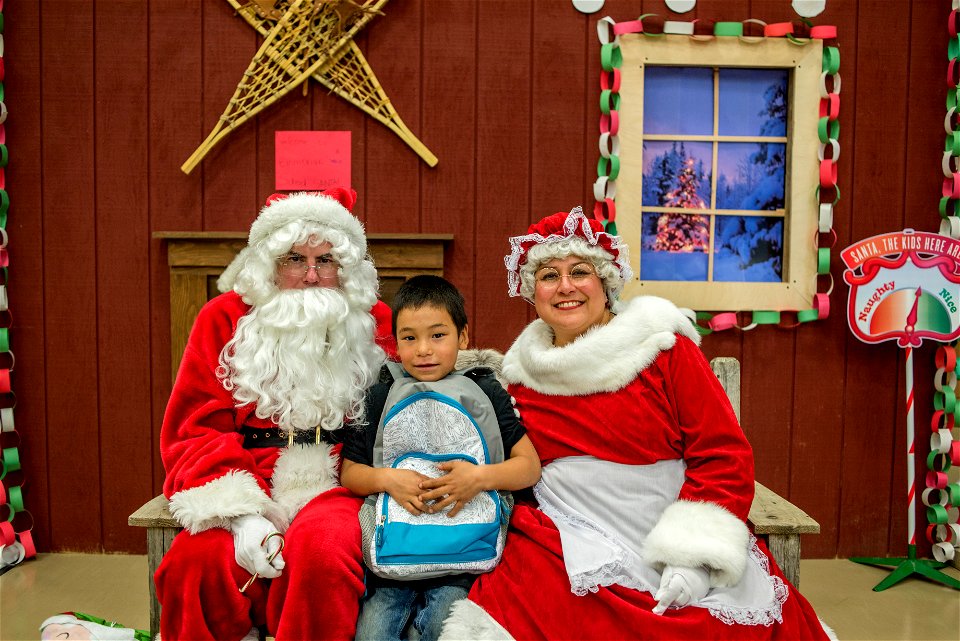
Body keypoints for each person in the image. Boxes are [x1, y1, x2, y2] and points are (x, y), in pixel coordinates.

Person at [440, 207, 835, 641]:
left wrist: (693, 557)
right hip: (567, 532)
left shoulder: (662, 348)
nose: (565, 286)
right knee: (520, 610)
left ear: (605, 283)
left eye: (580, 271)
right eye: (549, 275)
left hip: (665, 523)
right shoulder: (521, 375)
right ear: (532, 291)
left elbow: (721, 453)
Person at [154, 188, 396, 641]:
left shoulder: (375, 320)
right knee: (196, 562)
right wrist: (242, 514)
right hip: (249, 472)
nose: (310, 276)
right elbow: (195, 426)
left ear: (345, 269)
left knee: (322, 553)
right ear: (269, 265)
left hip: (346, 477)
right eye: (293, 259)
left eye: (325, 261)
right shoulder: (222, 318)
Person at [340, 275, 541, 641]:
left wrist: (479, 478)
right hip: (395, 553)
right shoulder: (381, 391)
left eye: (438, 335)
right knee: (371, 633)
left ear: (462, 337)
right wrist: (387, 479)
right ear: (395, 341)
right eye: (409, 338)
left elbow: (529, 467)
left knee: (441, 628)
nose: (423, 350)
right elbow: (351, 472)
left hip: (464, 552)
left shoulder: (484, 388)